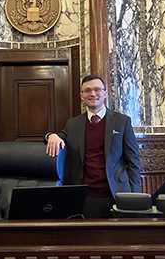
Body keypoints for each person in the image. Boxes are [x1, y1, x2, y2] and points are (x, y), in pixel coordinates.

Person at [45, 74, 141, 218]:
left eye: (97, 89)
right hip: (85, 198)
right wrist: (50, 135)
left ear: (104, 93)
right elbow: (59, 138)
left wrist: (135, 196)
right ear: (82, 96)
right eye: (87, 90)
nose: (93, 94)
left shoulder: (122, 121)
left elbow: (133, 161)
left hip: (118, 194)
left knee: (119, 239)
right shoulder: (73, 124)